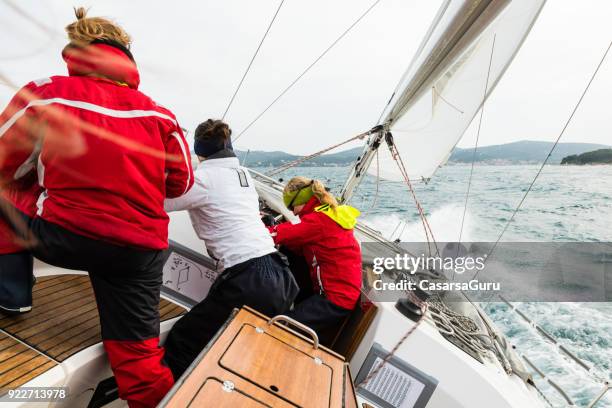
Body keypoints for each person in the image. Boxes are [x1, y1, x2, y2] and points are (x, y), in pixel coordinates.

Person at [0, 8, 193, 407]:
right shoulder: (161, 116)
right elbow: (181, 183)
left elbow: (4, 161)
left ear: (76, 53)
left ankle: (12, 292)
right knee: (139, 360)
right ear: (127, 60)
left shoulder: (47, 92)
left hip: (64, 236)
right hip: (138, 252)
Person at [163, 119, 298, 379]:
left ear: (199, 151)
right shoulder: (243, 174)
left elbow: (160, 203)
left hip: (249, 278)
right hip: (280, 276)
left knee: (182, 341)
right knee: (232, 347)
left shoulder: (202, 179)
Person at [270, 177, 362, 345]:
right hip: (338, 292)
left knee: (281, 327)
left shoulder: (318, 221)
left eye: (292, 206)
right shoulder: (326, 213)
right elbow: (301, 244)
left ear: (302, 200)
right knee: (291, 253)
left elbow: (281, 234)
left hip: (334, 299)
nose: (293, 212)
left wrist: (260, 229)